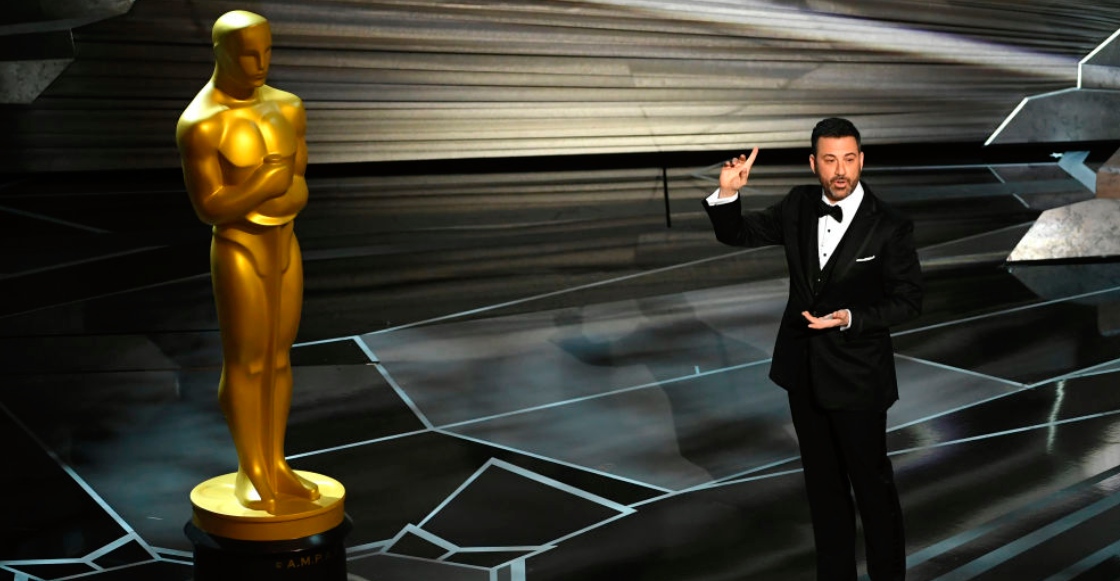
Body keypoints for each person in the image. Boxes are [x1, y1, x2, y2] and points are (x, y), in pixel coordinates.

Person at [702, 117, 922, 580]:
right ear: (813, 163)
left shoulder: (890, 226)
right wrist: (727, 193)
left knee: (873, 491)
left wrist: (850, 317)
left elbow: (908, 301)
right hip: (803, 374)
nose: (840, 170)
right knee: (824, 493)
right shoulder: (798, 205)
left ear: (861, 160)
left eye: (849, 159)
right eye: (829, 160)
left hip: (858, 378)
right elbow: (738, 233)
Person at [175, 10, 319, 514]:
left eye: (266, 52)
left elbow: (299, 184)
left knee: (279, 357)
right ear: (220, 53)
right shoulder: (202, 123)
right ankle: (251, 468)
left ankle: (275, 461)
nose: (260, 64)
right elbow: (209, 207)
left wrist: (278, 187)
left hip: (285, 243)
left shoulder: (288, 106)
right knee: (247, 359)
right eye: (247, 55)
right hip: (239, 246)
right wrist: (263, 184)